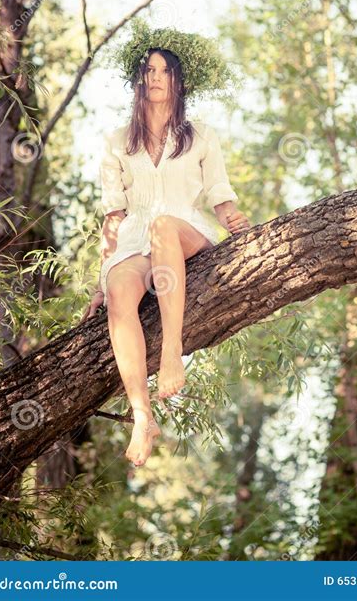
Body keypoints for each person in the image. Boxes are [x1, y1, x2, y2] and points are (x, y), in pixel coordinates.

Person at [80, 23, 251, 467]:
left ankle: (172, 353)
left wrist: (237, 223)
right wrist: (100, 281)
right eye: (147, 70)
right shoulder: (117, 142)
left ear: (178, 81)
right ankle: (142, 413)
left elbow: (220, 195)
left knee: (162, 226)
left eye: (163, 70)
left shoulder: (200, 135)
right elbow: (113, 218)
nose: (154, 77)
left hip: (184, 230)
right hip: (136, 240)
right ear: (139, 82)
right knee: (120, 287)